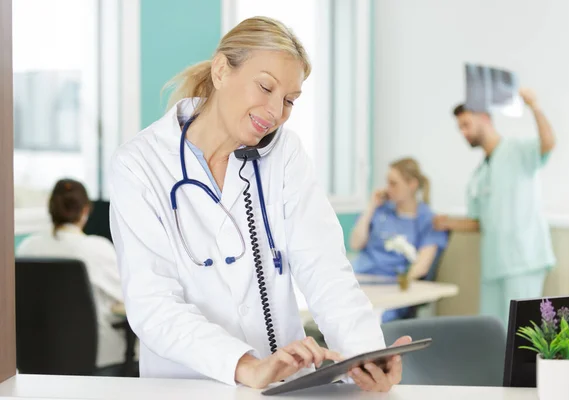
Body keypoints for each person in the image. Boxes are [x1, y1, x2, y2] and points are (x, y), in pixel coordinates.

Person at [108, 16, 409, 391]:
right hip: (186, 386)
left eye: (289, 100)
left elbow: (325, 268)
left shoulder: (285, 154)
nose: (276, 112)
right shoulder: (140, 165)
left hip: (285, 387)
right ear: (221, 70)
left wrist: (366, 356)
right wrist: (245, 366)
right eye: (265, 87)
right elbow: (153, 304)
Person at [434, 88, 556, 326]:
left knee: (523, 333)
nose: (463, 132)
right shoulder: (479, 174)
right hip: (494, 265)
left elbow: (548, 143)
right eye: (460, 127)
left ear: (485, 118)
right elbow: (480, 221)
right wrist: (447, 222)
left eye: (466, 124)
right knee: (495, 332)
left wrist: (534, 106)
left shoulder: (516, 150)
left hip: (523, 260)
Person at [16, 179, 126, 369]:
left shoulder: (27, 247)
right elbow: (128, 298)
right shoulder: (98, 249)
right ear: (85, 211)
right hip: (98, 359)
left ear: (51, 209)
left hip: (36, 359)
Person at [350, 158, 449, 322]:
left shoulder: (427, 220)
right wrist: (371, 206)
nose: (388, 189)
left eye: (393, 183)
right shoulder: (380, 211)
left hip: (390, 289)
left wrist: (400, 287)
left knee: (369, 322)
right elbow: (355, 243)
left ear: (412, 185)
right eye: (387, 183)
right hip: (359, 280)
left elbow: (422, 266)